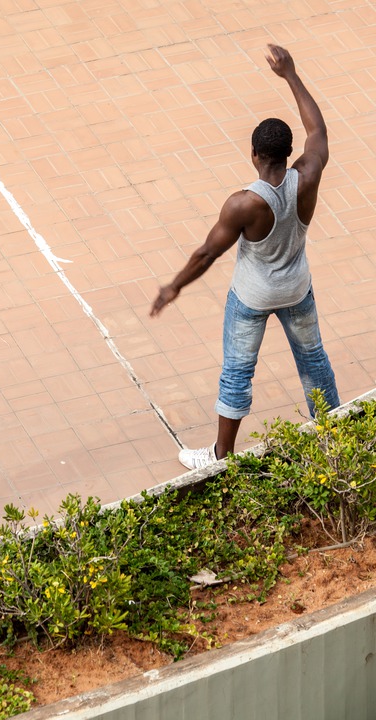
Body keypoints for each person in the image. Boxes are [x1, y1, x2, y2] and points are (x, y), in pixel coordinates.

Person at [149, 44, 340, 470]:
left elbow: (205, 254)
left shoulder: (244, 204)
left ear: (254, 155)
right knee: (314, 361)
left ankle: (220, 457)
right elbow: (319, 132)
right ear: (288, 154)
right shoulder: (307, 176)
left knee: (237, 372)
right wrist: (290, 74)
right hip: (296, 290)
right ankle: (334, 441)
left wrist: (173, 286)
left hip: (252, 298)